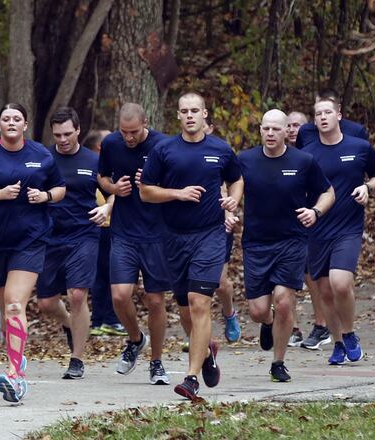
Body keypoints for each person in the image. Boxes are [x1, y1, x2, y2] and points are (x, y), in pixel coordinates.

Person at [140, 92, 243, 401]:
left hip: (210, 235)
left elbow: (237, 179)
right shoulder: (164, 150)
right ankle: (207, 354)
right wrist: (177, 193)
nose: (189, 116)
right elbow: (145, 191)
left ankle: (191, 378)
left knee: (199, 302)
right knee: (185, 309)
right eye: (184, 111)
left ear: (204, 114)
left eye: (194, 111)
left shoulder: (220, 149)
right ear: (178, 116)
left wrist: (233, 200)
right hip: (173, 237)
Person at [0, 103, 66, 402]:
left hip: (30, 239)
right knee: (6, 309)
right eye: (5, 118)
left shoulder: (41, 155)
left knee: (15, 305)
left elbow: (60, 189)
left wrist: (44, 196)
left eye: (16, 118)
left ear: (25, 125)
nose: (11, 122)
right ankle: (17, 358)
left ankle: (15, 377)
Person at [238, 109, 335, 382]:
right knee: (258, 311)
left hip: (291, 241)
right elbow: (229, 186)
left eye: (276, 129)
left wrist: (315, 212)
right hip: (256, 243)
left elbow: (328, 192)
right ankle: (268, 323)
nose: (270, 134)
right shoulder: (245, 160)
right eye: (266, 129)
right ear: (260, 130)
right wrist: (228, 209)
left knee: (283, 302)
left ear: (286, 132)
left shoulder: (303, 161)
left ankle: (278, 362)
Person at [305, 96, 375, 365]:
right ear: (314, 120)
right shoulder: (308, 153)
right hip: (317, 229)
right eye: (318, 114)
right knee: (325, 292)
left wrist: (367, 188)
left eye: (328, 112)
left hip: (348, 227)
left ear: (338, 115)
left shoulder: (359, 147)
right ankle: (338, 343)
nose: (323, 117)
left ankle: (349, 334)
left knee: (340, 283)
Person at [96, 103, 172, 385]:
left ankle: (157, 362)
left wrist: (153, 184)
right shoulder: (111, 144)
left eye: (134, 132)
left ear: (146, 123)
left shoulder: (163, 145)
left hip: (157, 232)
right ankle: (136, 339)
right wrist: (113, 189)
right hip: (124, 231)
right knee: (119, 296)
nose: (128, 137)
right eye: (124, 132)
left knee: (155, 300)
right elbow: (102, 177)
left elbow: (176, 182)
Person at [36, 108, 112, 379]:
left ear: (78, 130)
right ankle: (70, 323)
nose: (63, 139)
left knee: (77, 295)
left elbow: (114, 192)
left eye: (68, 134)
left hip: (84, 234)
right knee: (46, 303)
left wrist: (107, 208)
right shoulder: (43, 158)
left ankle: (77, 358)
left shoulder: (94, 160)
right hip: (49, 236)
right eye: (57, 135)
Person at [285, 110, 326, 348]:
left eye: (297, 125)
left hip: (310, 220)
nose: (292, 130)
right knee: (285, 278)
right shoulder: (276, 154)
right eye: (289, 125)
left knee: (311, 275)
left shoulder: (311, 156)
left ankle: (322, 324)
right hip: (283, 223)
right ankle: (292, 328)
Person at [82, 129, 126, 337]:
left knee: (105, 274)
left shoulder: (107, 167)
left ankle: (103, 319)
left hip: (110, 227)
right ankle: (106, 319)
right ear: (100, 147)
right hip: (99, 228)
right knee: (104, 275)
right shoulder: (94, 168)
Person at [204, 115, 241, 344]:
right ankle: (202, 334)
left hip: (218, 224)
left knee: (219, 282)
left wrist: (229, 216)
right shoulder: (179, 151)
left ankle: (229, 313)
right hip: (188, 228)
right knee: (194, 286)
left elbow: (228, 188)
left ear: (209, 128)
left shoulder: (219, 152)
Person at [295, 88, 368, 149]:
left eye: (327, 110)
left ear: (338, 108)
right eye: (319, 104)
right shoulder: (305, 131)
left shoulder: (356, 131)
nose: (323, 116)